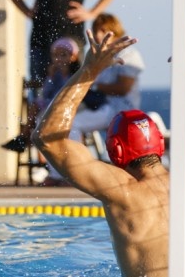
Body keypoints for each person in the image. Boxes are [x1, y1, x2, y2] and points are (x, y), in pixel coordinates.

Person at [32, 20, 185, 277]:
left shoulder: (121, 191)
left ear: (117, 151)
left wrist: (88, 72)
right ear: (159, 144)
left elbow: (47, 138)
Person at [41, 13, 145, 186]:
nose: (98, 35)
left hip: (118, 110)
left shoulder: (129, 55)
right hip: (99, 107)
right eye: (97, 30)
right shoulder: (98, 54)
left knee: (71, 124)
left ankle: (72, 174)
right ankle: (61, 172)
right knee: (61, 122)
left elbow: (123, 88)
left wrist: (93, 84)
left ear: (115, 30)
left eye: (104, 30)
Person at [8, 0, 121, 86]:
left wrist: (92, 13)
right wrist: (27, 12)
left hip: (72, 39)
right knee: (40, 89)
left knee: (74, 87)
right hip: (41, 40)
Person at [2, 37, 82, 152]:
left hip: (68, 106)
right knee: (37, 108)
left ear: (73, 56)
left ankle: (25, 137)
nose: (59, 59)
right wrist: (50, 77)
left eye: (63, 55)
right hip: (52, 104)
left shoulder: (76, 74)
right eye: (55, 55)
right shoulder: (55, 74)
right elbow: (46, 93)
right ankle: (26, 138)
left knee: (38, 110)